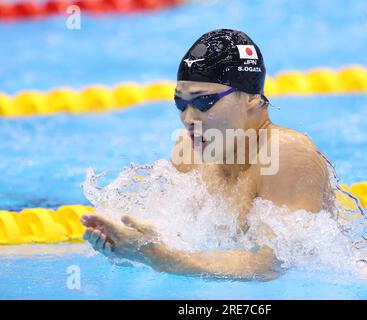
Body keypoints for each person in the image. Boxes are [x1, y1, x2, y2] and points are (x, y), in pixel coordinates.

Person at [81, 29, 333, 280]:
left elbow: (272, 265)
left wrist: (158, 257)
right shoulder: (189, 153)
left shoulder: (286, 154)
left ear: (252, 99)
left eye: (204, 102)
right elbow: (179, 242)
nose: (189, 119)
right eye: (181, 104)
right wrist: (131, 247)